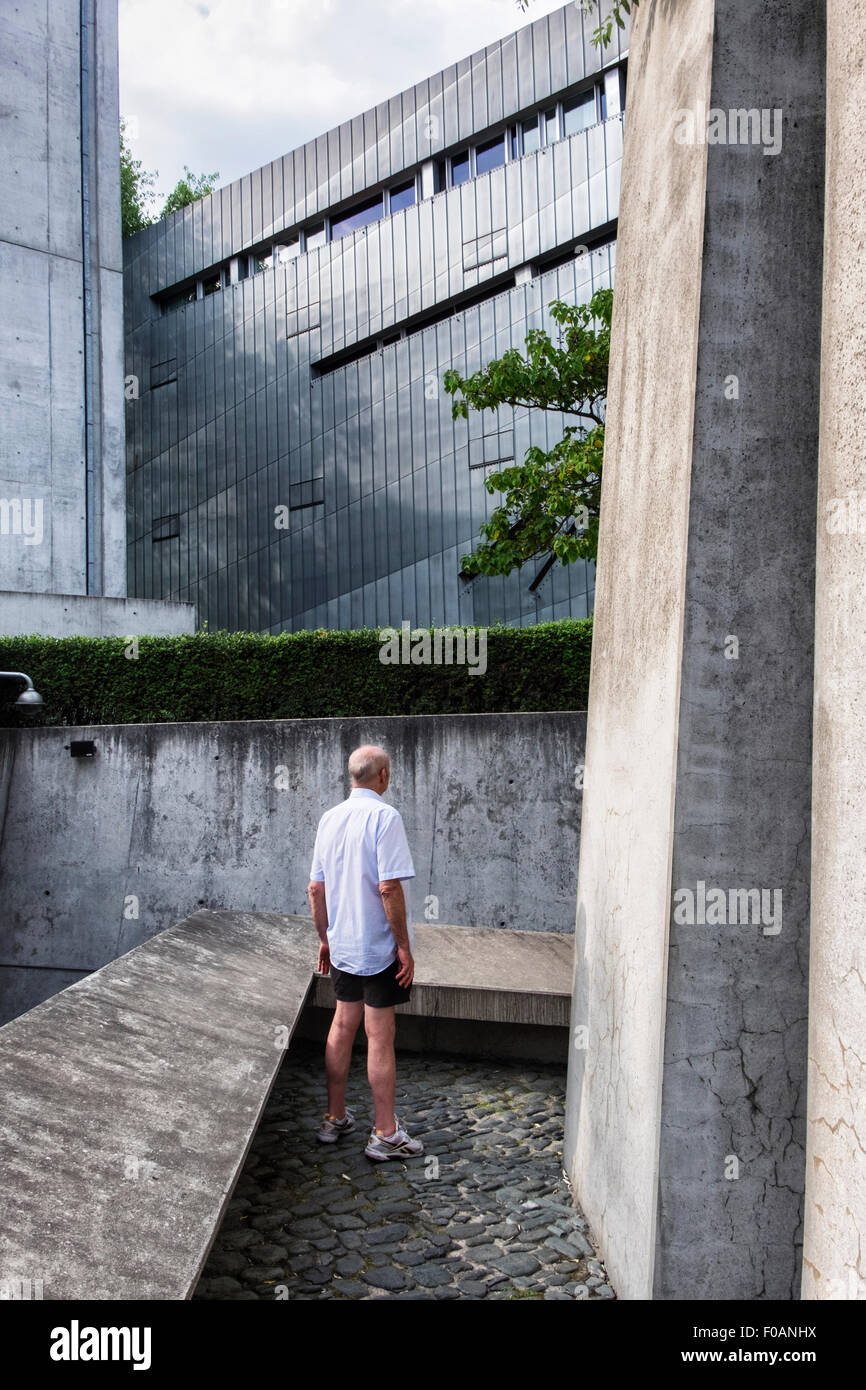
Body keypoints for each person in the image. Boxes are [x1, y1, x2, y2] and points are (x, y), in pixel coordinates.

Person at [308, 744, 424, 1162]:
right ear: (384, 775)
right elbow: (389, 887)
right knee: (379, 1036)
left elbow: (315, 889)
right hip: (378, 946)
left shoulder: (329, 818)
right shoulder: (385, 817)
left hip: (341, 945)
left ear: (352, 776)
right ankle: (385, 1133)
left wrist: (325, 938)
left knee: (342, 1026)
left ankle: (334, 1117)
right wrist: (405, 947)